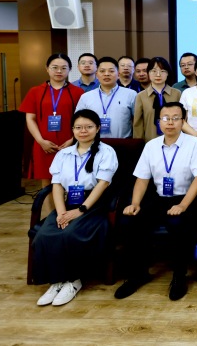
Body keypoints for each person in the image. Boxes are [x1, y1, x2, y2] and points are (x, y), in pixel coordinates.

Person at [115, 102, 197, 301]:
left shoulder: (194, 144)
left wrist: (182, 205)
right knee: (132, 220)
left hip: (185, 198)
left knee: (179, 223)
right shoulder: (151, 146)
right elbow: (142, 178)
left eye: (175, 118)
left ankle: (179, 276)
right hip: (158, 198)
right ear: (159, 122)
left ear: (183, 121)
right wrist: (135, 203)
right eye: (165, 118)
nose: (170, 122)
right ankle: (137, 274)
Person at [32, 109, 118, 306]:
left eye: (88, 127)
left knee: (70, 233)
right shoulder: (64, 154)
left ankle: (73, 281)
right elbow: (57, 185)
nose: (83, 131)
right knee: (45, 234)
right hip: (68, 202)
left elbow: (102, 184)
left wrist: (80, 211)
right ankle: (56, 281)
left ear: (98, 128)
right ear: (72, 130)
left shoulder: (106, 152)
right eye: (78, 127)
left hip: (94, 205)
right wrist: (61, 212)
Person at [20, 53, 85, 188]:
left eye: (64, 68)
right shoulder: (35, 91)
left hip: (70, 143)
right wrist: (40, 141)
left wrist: (73, 140)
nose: (59, 71)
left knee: (73, 180)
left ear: (70, 69)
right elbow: (30, 118)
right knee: (47, 183)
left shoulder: (78, 92)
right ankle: (49, 204)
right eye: (55, 67)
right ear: (47, 68)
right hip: (44, 144)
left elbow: (83, 119)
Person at [75, 56, 137, 139]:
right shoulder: (86, 97)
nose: (106, 74)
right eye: (102, 71)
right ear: (97, 74)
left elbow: (137, 121)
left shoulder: (131, 94)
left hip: (123, 143)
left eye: (111, 71)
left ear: (118, 74)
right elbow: (78, 121)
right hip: (94, 142)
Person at [133, 57, 181, 142]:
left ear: (167, 73)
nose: (158, 75)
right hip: (149, 141)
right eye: (154, 71)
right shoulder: (141, 96)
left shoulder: (177, 94)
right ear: (148, 73)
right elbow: (138, 124)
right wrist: (138, 144)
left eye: (162, 71)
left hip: (175, 140)